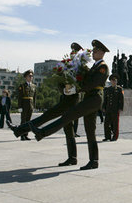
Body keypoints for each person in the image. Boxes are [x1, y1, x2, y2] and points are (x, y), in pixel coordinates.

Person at [29, 40, 110, 170]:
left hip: (95, 99)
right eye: (93, 51)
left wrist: (76, 90)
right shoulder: (94, 66)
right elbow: (85, 80)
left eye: (95, 51)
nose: (93, 53)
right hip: (90, 98)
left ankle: (42, 133)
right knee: (90, 130)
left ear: (101, 52)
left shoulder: (103, 67)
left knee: (68, 115)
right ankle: (94, 160)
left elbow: (92, 84)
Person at [8, 42, 83, 166]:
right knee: (67, 129)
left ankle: (19, 130)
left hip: (73, 100)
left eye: (75, 52)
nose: (73, 54)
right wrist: (63, 89)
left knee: (50, 118)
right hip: (65, 98)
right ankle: (72, 157)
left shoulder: (81, 68)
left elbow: (84, 84)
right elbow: (60, 82)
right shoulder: (66, 66)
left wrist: (75, 89)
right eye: (72, 52)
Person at [102, 74, 124, 141]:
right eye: (112, 81)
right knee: (106, 123)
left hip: (115, 109)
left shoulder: (119, 89)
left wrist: (120, 108)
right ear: (110, 81)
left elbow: (121, 100)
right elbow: (105, 99)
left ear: (116, 81)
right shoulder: (108, 89)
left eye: (115, 81)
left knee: (115, 124)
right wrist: (103, 107)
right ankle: (107, 136)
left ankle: (115, 136)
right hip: (108, 108)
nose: (114, 82)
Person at [17, 69, 36, 141]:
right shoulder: (22, 86)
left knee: (28, 121)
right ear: (26, 77)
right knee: (23, 120)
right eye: (29, 76)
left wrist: (34, 106)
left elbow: (34, 97)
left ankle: (26, 134)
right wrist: (19, 106)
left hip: (30, 105)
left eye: (32, 76)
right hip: (24, 105)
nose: (31, 77)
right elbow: (19, 97)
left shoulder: (33, 86)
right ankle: (22, 135)